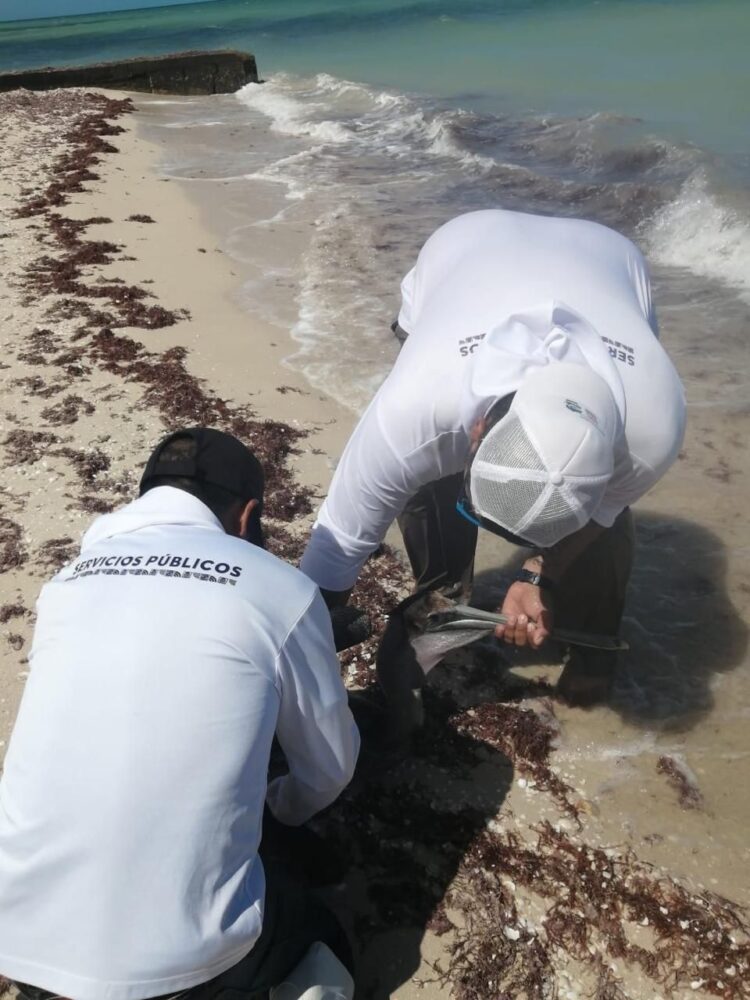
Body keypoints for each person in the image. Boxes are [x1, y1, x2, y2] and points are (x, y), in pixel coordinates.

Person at [0, 428, 359, 1000]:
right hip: (184, 971)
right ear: (246, 518)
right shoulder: (281, 589)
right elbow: (331, 770)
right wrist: (277, 810)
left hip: (18, 945)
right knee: (325, 936)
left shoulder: (66, 582)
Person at [300, 209, 686, 703]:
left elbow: (602, 515)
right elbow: (333, 554)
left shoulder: (652, 429)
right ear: (476, 430)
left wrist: (536, 576)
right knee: (424, 480)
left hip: (613, 264)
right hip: (464, 244)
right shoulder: (413, 412)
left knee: (608, 525)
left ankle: (594, 650)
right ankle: (444, 594)